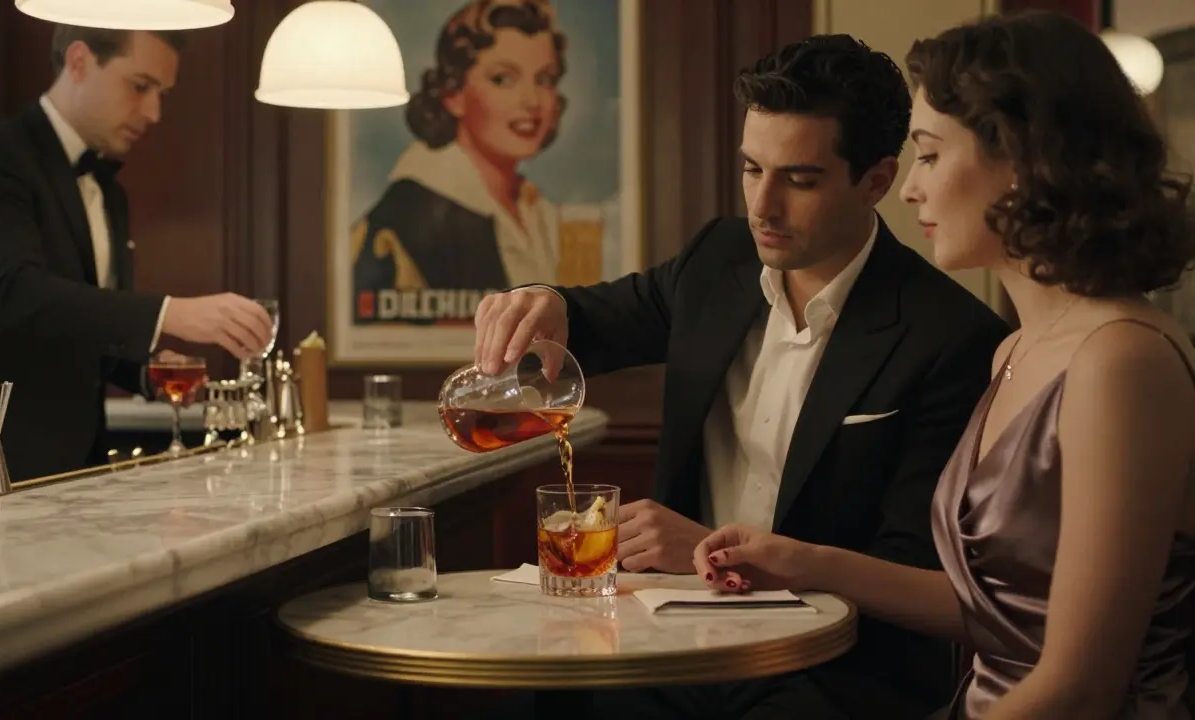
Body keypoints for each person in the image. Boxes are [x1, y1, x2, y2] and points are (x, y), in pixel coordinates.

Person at [476, 34, 1011, 720]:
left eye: (800, 179)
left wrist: (704, 548)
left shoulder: (950, 338)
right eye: (752, 169)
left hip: (833, 670)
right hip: (667, 642)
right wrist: (541, 301)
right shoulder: (717, 261)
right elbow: (595, 316)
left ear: (877, 180)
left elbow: (908, 573)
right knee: (512, 696)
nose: (764, 205)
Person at [694, 11, 1195, 719]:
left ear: (1023, 158)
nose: (908, 191)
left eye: (928, 155)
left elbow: (1082, 688)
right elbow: (996, 615)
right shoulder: (1014, 348)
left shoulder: (1121, 361)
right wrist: (799, 561)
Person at [0, 25, 274, 482]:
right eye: (140, 86)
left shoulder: (110, 193)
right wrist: (170, 313)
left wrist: (148, 371)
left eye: (161, 93)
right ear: (79, 61)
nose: (154, 112)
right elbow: (11, 294)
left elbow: (82, 330)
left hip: (79, 469)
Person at [350, 0, 567, 316]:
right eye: (503, 79)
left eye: (544, 79)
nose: (531, 100)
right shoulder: (407, 215)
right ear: (453, 95)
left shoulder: (539, 212)